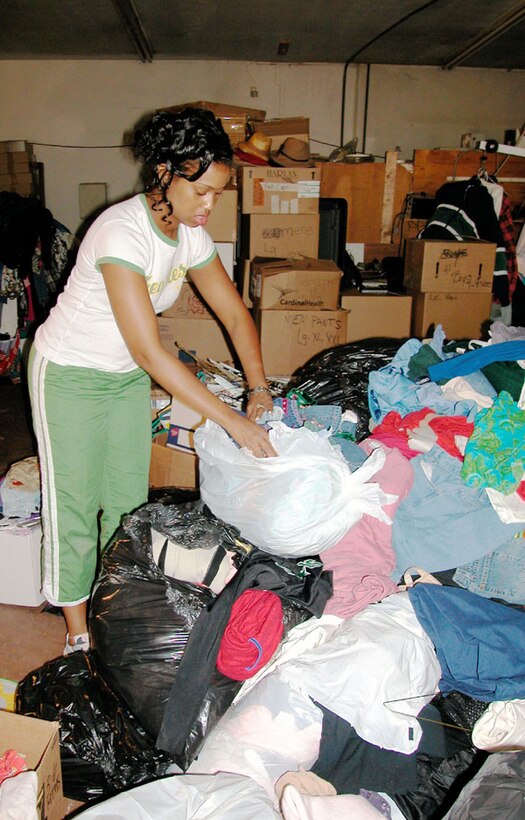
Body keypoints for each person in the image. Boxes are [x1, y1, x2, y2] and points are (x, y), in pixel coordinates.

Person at [28, 108, 276, 655]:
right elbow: (148, 349)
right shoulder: (122, 231)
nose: (209, 206)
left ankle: (113, 608)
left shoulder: (190, 236)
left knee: (126, 505)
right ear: (164, 172)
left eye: (218, 194)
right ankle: (78, 632)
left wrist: (258, 389)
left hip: (122, 379)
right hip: (68, 375)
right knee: (75, 506)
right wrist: (232, 421)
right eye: (201, 191)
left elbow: (235, 315)